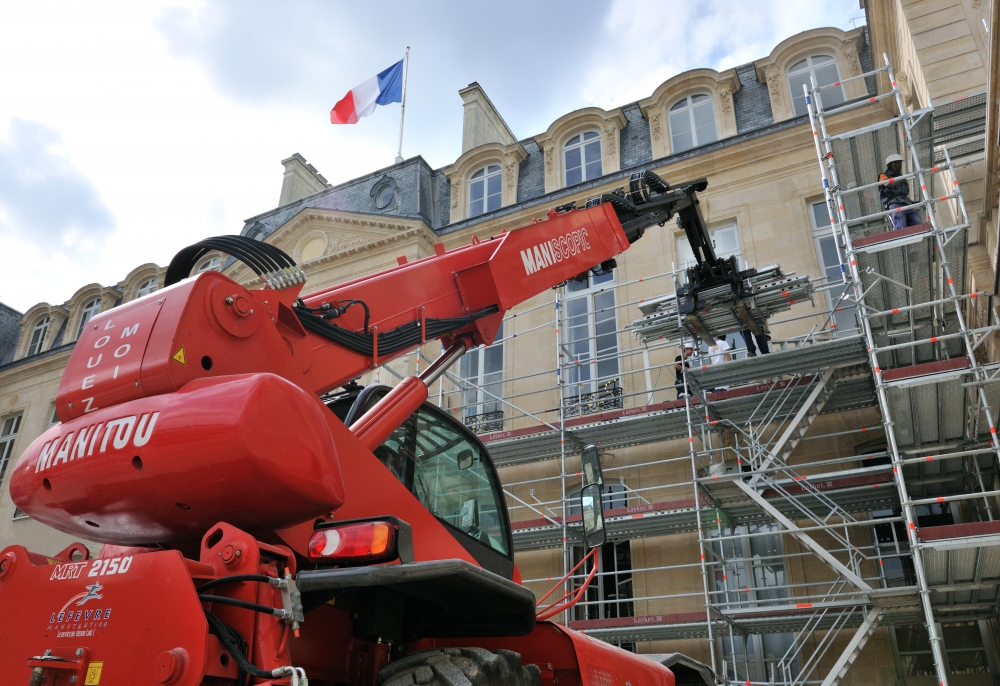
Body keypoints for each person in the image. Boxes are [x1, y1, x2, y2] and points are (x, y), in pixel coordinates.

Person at [878, 153, 923, 230]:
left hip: (906, 202)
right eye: (898, 163)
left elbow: (903, 193)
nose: (900, 165)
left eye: (900, 163)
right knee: (900, 220)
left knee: (916, 220)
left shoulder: (901, 176)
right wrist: (901, 178)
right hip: (894, 203)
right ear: (891, 164)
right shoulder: (883, 175)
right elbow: (888, 183)